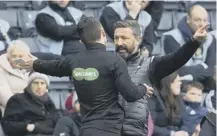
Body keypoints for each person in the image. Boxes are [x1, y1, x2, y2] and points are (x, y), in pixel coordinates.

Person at [18, 17, 152, 136]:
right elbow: (130, 94)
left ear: (81, 41)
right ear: (103, 34)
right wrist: (143, 89)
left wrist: (35, 64)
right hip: (111, 129)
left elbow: (53, 67)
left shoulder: (73, 61)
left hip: (87, 129)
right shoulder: (115, 61)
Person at [113, 20, 209, 136]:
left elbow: (175, 59)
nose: (119, 42)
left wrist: (194, 43)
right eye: (116, 38)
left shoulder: (150, 65)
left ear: (138, 39)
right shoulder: (107, 65)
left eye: (124, 38)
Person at [2, 72, 79, 136]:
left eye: (42, 83)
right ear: (30, 85)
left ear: (46, 87)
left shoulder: (48, 101)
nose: (39, 86)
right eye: (36, 83)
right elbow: (8, 125)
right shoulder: (18, 99)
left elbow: (56, 119)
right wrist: (29, 127)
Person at [163, 5, 216, 85]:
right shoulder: (172, 37)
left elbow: (211, 70)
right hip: (178, 87)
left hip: (202, 88)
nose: (202, 24)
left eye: (205, 20)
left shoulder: (211, 38)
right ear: (188, 19)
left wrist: (191, 76)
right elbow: (176, 70)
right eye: (197, 20)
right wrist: (201, 67)